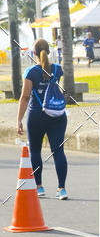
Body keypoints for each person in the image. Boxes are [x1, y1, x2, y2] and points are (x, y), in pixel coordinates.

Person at [17, 38, 68, 199]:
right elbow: (63, 91)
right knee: (58, 151)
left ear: (34, 53)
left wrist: (18, 119)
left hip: (37, 115)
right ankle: (62, 189)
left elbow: (25, 97)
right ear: (49, 51)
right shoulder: (58, 69)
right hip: (57, 115)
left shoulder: (31, 72)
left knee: (35, 151)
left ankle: (39, 187)